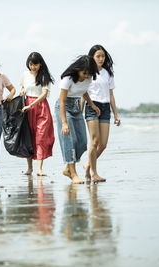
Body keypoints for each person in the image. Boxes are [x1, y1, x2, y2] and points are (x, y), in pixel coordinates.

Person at [55, 55, 101, 184]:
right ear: (78, 69)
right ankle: (73, 174)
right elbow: (62, 101)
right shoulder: (68, 79)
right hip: (64, 108)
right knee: (70, 140)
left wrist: (92, 104)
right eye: (84, 73)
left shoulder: (89, 78)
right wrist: (64, 122)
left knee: (81, 142)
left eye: (89, 73)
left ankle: (67, 169)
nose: (86, 76)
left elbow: (83, 91)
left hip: (76, 106)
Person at [81, 45, 121, 182]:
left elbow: (111, 95)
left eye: (103, 56)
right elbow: (83, 94)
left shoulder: (108, 73)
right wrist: (80, 113)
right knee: (95, 141)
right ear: (92, 57)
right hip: (92, 106)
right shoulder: (88, 73)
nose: (101, 59)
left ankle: (87, 165)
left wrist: (116, 114)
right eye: (98, 56)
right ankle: (94, 173)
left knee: (103, 144)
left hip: (105, 108)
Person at [20, 52, 55, 176]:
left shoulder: (45, 76)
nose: (33, 67)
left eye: (35, 64)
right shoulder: (25, 75)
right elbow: (23, 88)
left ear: (40, 64)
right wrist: (22, 92)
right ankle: (30, 168)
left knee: (40, 137)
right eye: (31, 64)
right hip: (27, 108)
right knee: (28, 137)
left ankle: (39, 169)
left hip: (41, 108)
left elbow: (44, 94)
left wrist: (31, 104)